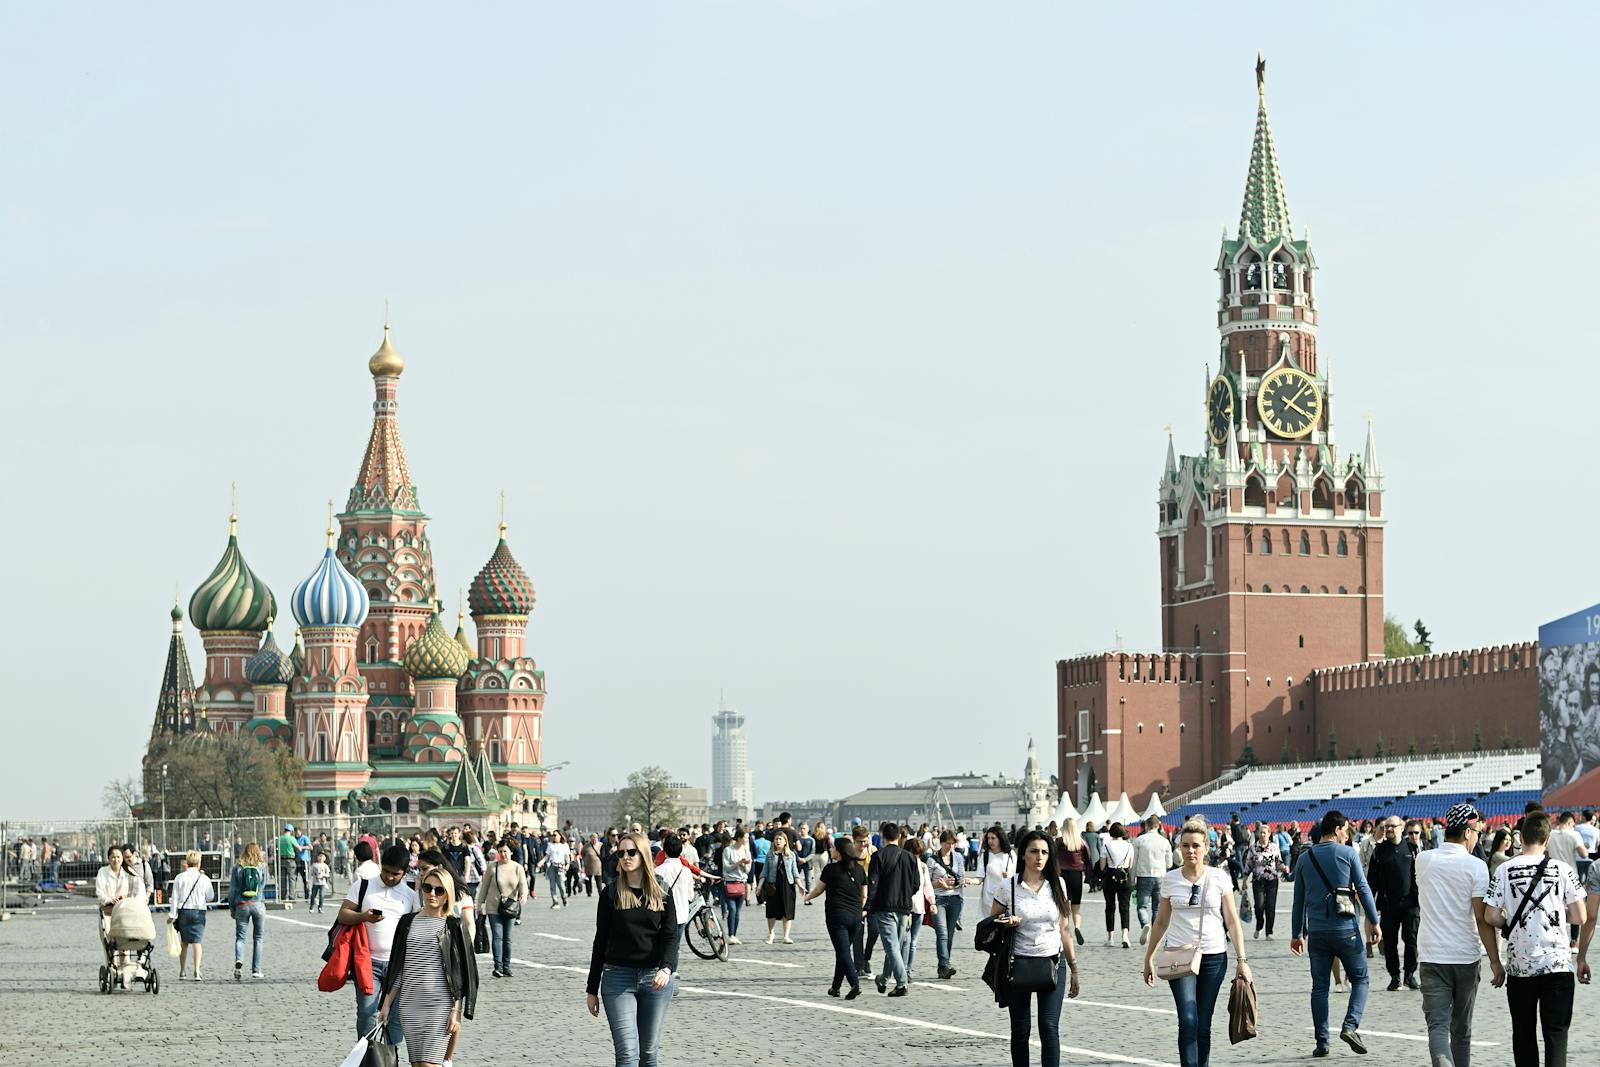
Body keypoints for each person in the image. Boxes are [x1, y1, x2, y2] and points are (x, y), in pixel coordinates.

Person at [1141, 820, 1252, 1067]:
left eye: (1196, 846)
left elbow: (1232, 921)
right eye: (1185, 845)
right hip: (1179, 956)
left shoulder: (1219, 878)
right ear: (1178, 847)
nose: (1190, 851)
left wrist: (1242, 961)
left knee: (1203, 1022)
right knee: (1188, 1019)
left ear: (1206, 847)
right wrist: (1149, 956)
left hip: (1214, 956)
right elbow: (1161, 922)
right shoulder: (1170, 879)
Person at [1484, 810, 1587, 1067]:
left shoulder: (1505, 870)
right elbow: (1580, 916)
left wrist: (1508, 921)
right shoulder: (1562, 869)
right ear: (1547, 840)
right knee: (1556, 1036)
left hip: (1521, 967)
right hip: (1557, 964)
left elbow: (1490, 915)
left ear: (1520, 837)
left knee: (1524, 1036)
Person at [1414, 803, 1501, 1067]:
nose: (1477, 835)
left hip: (1432, 955)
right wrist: (1495, 960)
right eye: (1476, 830)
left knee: (1437, 1026)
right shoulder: (1476, 866)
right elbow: (1481, 917)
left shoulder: (1423, 859)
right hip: (1465, 956)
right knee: (1462, 1030)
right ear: (1466, 832)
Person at [1291, 810, 1381, 1057]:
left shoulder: (1304, 858)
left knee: (1319, 987)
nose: (1347, 835)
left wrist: (1296, 934)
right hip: (1346, 930)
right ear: (1338, 829)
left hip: (1317, 933)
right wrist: (1374, 921)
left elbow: (1298, 901)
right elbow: (1363, 889)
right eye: (1346, 830)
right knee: (1361, 979)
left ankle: (1322, 1042)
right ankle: (1350, 1026)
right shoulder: (1348, 853)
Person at [585, 830, 677, 1067]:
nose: (625, 857)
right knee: (627, 1052)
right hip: (618, 979)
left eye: (631, 852)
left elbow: (670, 937)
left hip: (654, 979)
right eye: (621, 853)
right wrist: (591, 989)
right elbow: (600, 942)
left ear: (643, 854)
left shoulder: (662, 890)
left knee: (648, 1053)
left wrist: (666, 969)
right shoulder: (611, 893)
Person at [992, 829, 1081, 1067]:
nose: (1039, 857)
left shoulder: (1058, 884)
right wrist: (1005, 922)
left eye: (1044, 852)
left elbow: (1065, 929)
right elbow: (990, 925)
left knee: (1049, 1027)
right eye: (1033, 851)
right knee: (1021, 1029)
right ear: (1023, 855)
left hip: (1053, 962)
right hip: (1018, 964)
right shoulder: (1008, 887)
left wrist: (1074, 968)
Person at [378, 864, 478, 1067]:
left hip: (439, 1004)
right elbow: (400, 967)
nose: (432, 894)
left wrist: (456, 1010)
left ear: (447, 895)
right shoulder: (407, 922)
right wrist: (386, 1004)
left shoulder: (453, 926)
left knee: (428, 1065)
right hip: (409, 1005)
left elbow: (461, 973)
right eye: (427, 888)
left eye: (439, 890)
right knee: (417, 1065)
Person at [337, 843, 419, 1045]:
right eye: (387, 871)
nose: (390, 877)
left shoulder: (410, 895)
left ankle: (390, 1058)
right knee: (367, 1012)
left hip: (398, 965)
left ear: (405, 872)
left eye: (396, 874)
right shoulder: (363, 886)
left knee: (396, 1017)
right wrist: (363, 916)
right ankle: (367, 1056)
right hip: (367, 962)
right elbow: (343, 915)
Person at [805, 835, 867, 998]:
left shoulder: (831, 869)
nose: (831, 850)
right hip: (856, 917)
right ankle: (835, 987)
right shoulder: (859, 869)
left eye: (833, 848)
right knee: (843, 951)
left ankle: (855, 983)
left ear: (839, 852)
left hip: (837, 917)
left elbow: (819, 890)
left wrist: (808, 897)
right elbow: (864, 895)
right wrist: (860, 910)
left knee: (843, 952)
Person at [1369, 816, 1422, 991]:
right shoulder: (1379, 851)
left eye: (1393, 826)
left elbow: (1421, 877)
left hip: (1410, 904)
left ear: (1402, 827)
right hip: (1388, 905)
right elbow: (1372, 881)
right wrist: (1370, 909)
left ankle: (1409, 975)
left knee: (1411, 940)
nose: (1389, 829)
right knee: (1390, 943)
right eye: (1386, 827)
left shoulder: (1412, 849)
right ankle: (1394, 976)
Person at [865, 821, 918, 996]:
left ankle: (902, 984)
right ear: (898, 837)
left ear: (883, 837)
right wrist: (905, 894)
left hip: (884, 906)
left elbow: (873, 883)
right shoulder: (910, 857)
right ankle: (884, 979)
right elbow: (916, 884)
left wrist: (868, 905)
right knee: (894, 946)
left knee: (892, 947)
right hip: (904, 908)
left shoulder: (878, 856)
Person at [477, 842, 529, 978]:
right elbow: (484, 887)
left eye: (505, 851)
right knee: (497, 936)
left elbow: (523, 884)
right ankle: (498, 966)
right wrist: (479, 904)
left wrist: (524, 895)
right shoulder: (492, 867)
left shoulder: (517, 868)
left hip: (510, 907)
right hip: (493, 906)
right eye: (500, 851)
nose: (503, 854)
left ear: (511, 852)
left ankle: (507, 966)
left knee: (508, 938)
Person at [168, 850, 214, 980]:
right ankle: (197, 971)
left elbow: (175, 898)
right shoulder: (204, 878)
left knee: (184, 942)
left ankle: (182, 970)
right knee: (197, 942)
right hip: (199, 911)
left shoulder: (180, 877)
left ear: (186, 863)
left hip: (184, 911)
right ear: (199, 863)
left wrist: (172, 914)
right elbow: (210, 896)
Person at [927, 830, 966, 978]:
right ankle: (944, 965)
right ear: (941, 843)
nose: (950, 846)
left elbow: (961, 878)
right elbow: (927, 883)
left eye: (952, 843)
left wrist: (953, 884)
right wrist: (938, 883)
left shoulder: (958, 857)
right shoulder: (932, 859)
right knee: (942, 933)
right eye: (947, 843)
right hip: (939, 899)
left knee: (949, 934)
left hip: (955, 899)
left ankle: (944, 965)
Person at [1133, 816, 1173, 946]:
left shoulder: (1139, 840)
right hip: (1160, 876)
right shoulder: (1164, 841)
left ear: (1146, 826)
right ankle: (1157, 934)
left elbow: (1134, 862)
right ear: (1158, 826)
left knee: (1141, 906)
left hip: (1143, 876)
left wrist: (1132, 879)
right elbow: (1169, 863)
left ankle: (1145, 923)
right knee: (1157, 908)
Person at [1243, 822, 1288, 940]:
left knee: (1270, 906)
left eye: (1264, 832)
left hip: (1272, 880)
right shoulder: (1253, 848)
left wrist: (1284, 868)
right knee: (1259, 906)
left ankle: (1269, 933)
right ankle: (1259, 926)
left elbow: (1278, 861)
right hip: (1258, 880)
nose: (1262, 835)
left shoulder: (1274, 847)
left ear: (1269, 834)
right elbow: (1248, 865)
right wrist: (1244, 881)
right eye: (1260, 832)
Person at [1100, 822, 1135, 948]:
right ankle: (1125, 935)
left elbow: (1102, 866)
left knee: (1110, 907)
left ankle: (1110, 938)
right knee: (1124, 907)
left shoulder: (1106, 845)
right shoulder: (1129, 846)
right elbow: (1130, 865)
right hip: (1124, 876)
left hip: (1110, 877)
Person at [762, 830, 799, 944]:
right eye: (776, 839)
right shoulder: (770, 854)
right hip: (773, 885)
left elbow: (795, 872)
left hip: (787, 885)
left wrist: (801, 886)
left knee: (787, 911)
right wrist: (759, 886)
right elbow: (765, 872)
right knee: (771, 911)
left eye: (780, 839)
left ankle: (786, 936)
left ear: (785, 842)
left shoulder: (791, 854)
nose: (778, 841)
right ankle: (771, 934)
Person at [720, 828, 751, 945]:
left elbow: (747, 870)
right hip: (729, 883)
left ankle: (734, 935)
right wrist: (739, 862)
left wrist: (744, 865)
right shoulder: (728, 850)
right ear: (738, 838)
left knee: (738, 911)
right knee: (731, 909)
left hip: (741, 882)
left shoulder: (746, 851)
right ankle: (730, 935)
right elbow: (726, 867)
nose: (747, 840)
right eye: (745, 838)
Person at [979, 826, 1016, 922]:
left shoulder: (1010, 854)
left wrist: (1009, 876)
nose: (990, 841)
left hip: (1007, 897)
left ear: (1000, 838)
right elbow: (980, 877)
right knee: (990, 925)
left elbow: (1018, 874)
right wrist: (969, 880)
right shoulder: (986, 855)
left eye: (993, 838)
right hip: (989, 897)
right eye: (988, 838)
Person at [542, 831, 572, 910]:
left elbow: (567, 856)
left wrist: (568, 864)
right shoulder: (550, 845)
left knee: (561, 885)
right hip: (552, 866)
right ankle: (555, 902)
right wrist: (540, 862)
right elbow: (547, 856)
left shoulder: (564, 845)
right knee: (552, 886)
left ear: (560, 836)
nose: (553, 837)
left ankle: (564, 897)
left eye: (555, 835)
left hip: (560, 867)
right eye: (553, 835)